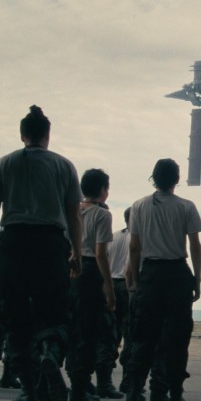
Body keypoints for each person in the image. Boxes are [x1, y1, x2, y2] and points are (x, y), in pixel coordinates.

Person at [0, 105, 82, 401]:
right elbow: (74, 215)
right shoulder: (64, 165)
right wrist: (75, 252)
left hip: (12, 242)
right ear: (48, 135)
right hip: (50, 244)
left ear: (22, 134)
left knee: (15, 317)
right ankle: (49, 352)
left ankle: (28, 387)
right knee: (54, 312)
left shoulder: (5, 164)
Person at [123, 159, 201, 401]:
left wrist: (137, 280)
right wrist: (197, 278)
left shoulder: (139, 206)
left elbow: (134, 247)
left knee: (143, 335)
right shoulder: (186, 206)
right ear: (177, 179)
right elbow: (195, 245)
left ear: (154, 178)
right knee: (178, 337)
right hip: (177, 274)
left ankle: (134, 388)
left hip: (151, 273)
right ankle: (173, 390)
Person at [66, 168, 117, 401]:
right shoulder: (102, 215)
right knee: (92, 330)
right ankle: (81, 386)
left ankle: (78, 382)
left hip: (70, 270)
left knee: (74, 327)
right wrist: (109, 288)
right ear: (103, 190)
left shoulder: (73, 210)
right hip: (90, 272)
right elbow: (100, 254)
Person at [103, 207, 132, 397]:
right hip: (127, 286)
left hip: (110, 284)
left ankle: (105, 379)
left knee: (109, 335)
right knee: (130, 334)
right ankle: (127, 381)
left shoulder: (113, 236)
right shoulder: (137, 237)